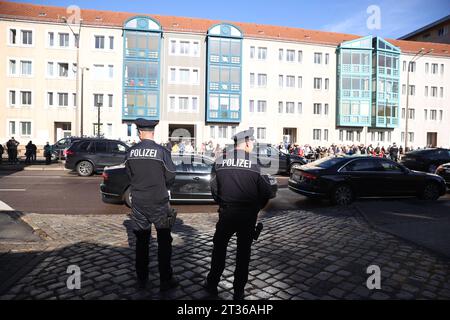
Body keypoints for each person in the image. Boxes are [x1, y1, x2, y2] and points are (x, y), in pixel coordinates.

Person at [205, 128, 273, 300]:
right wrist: (256, 208)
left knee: (219, 250)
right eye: (253, 143)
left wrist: (222, 203)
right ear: (248, 143)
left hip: (226, 213)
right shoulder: (257, 163)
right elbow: (266, 192)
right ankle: (238, 290)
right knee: (243, 254)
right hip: (247, 216)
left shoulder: (220, 161)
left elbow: (213, 188)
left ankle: (212, 284)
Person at [125, 119, 179, 291]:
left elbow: (129, 174)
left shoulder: (131, 152)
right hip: (158, 202)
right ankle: (165, 279)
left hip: (139, 202)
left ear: (140, 132)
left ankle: (142, 277)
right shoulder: (161, 152)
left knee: (141, 242)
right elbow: (171, 176)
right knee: (164, 241)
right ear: (152, 132)